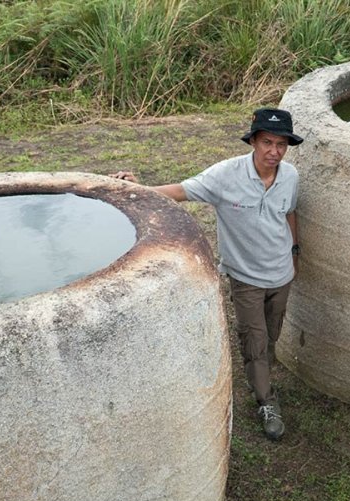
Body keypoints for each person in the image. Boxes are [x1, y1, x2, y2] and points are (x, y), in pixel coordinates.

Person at [111, 108, 303, 441]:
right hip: (246, 278)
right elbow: (180, 191)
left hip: (281, 274)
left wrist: (295, 252)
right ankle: (266, 401)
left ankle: (259, 371)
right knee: (254, 339)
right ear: (253, 141)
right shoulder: (225, 176)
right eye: (267, 143)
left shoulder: (291, 176)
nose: (274, 152)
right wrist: (140, 188)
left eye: (281, 145)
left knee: (271, 333)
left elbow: (290, 212)